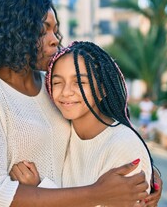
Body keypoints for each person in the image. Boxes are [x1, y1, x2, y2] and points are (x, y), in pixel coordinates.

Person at [0, 0, 161, 206]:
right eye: (44, 30)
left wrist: (144, 167)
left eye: (55, 30)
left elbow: (92, 135)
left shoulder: (51, 85)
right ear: (14, 31)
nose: (55, 39)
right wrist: (96, 193)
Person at [10, 41, 157, 205]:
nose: (66, 92)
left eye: (79, 82)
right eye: (57, 82)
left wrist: (39, 189)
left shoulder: (123, 145)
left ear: (102, 90)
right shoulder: (64, 131)